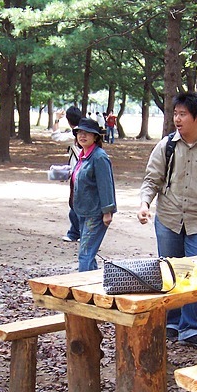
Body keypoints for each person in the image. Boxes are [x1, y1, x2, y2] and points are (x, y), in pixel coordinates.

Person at [137, 92, 197, 348]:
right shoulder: (166, 146)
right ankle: (172, 320)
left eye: (183, 114)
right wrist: (145, 204)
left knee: (196, 274)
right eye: (175, 114)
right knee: (170, 271)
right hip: (168, 218)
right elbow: (152, 179)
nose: (177, 119)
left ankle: (190, 328)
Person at [71, 118, 116, 272]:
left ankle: (82, 290)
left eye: (87, 133)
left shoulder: (99, 157)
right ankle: (93, 286)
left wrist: (107, 212)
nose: (82, 136)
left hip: (96, 213)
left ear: (95, 136)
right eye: (80, 133)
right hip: (83, 211)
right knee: (88, 254)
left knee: (85, 254)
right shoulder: (83, 155)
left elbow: (106, 185)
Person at [52, 107, 84, 243]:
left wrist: (56, 119)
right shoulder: (84, 132)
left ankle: (75, 233)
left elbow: (56, 137)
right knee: (79, 202)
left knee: (75, 203)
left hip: (79, 173)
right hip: (81, 171)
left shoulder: (74, 135)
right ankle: (79, 231)